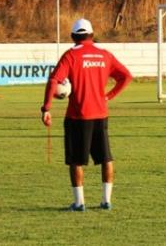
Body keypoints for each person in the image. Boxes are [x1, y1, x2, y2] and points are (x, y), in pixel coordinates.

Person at [41, 19, 132, 212]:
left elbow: (54, 80)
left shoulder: (71, 56)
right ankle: (106, 201)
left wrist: (46, 108)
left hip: (77, 116)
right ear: (92, 35)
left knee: (76, 160)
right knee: (105, 157)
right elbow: (126, 76)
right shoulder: (104, 55)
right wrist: (108, 96)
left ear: (73, 37)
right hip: (101, 114)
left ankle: (79, 203)